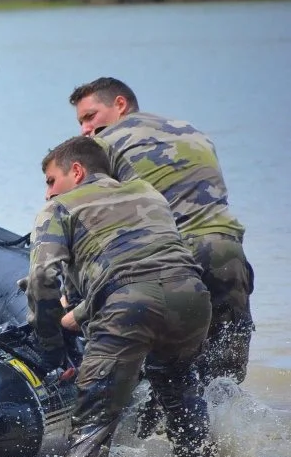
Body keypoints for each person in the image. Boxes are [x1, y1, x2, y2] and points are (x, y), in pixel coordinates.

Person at [27, 135, 219, 457]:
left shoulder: (59, 209)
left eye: (51, 181)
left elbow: (42, 278)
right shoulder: (148, 192)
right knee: (181, 400)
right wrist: (83, 313)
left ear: (78, 172)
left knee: (94, 422)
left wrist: (51, 345)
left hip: (128, 306)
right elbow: (144, 266)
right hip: (192, 299)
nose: (48, 193)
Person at [69, 76, 253, 384]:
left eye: (90, 117)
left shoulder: (102, 147)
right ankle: (231, 429)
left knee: (163, 377)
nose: (85, 129)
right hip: (228, 253)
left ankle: (153, 430)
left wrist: (75, 302)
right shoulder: (193, 132)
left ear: (120, 104)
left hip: (174, 265)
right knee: (226, 378)